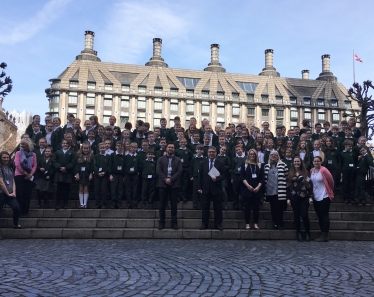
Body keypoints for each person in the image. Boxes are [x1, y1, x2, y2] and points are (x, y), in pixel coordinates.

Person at [197, 146, 226, 231]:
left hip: (216, 188)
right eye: (210, 152)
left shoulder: (220, 163)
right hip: (205, 189)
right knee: (205, 208)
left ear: (216, 153)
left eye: (213, 152)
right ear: (207, 153)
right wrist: (199, 187)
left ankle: (218, 224)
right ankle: (204, 224)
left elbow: (224, 175)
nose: (211, 153)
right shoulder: (203, 163)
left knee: (218, 208)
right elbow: (199, 176)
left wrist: (217, 178)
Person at [156, 142, 182, 230]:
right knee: (162, 204)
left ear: (174, 149)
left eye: (172, 147)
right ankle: (161, 222)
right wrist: (166, 179)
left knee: (174, 205)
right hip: (163, 184)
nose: (170, 148)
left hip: (174, 185)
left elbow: (179, 171)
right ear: (166, 148)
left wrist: (171, 179)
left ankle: (174, 222)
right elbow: (158, 171)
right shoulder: (161, 159)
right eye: (169, 147)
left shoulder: (178, 160)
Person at [287, 157, 312, 242]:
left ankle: (307, 233)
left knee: (304, 215)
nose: (296, 163)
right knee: (296, 216)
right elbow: (288, 186)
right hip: (294, 197)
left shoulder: (305, 173)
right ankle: (298, 233)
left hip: (304, 197)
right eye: (295, 161)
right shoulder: (290, 173)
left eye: (298, 161)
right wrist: (288, 198)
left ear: (301, 162)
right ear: (293, 163)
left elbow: (309, 185)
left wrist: (310, 196)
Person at [310, 156, 334, 242]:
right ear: (313, 162)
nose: (316, 163)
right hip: (315, 196)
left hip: (324, 195)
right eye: (315, 161)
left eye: (318, 161)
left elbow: (331, 181)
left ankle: (325, 234)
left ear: (321, 162)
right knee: (319, 215)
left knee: (324, 215)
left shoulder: (324, 170)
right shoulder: (311, 171)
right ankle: (322, 232)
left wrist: (330, 190)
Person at [264, 150, 288, 230]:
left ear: (278, 156)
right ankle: (275, 223)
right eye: (272, 155)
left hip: (280, 191)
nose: (273, 156)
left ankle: (280, 223)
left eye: (275, 155)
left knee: (279, 208)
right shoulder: (266, 166)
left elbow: (287, 176)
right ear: (269, 156)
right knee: (273, 208)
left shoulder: (283, 165)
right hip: (270, 191)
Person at [240, 149, 264, 230]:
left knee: (256, 208)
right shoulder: (245, 164)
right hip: (247, 189)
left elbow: (262, 178)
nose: (252, 156)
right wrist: (248, 186)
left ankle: (255, 223)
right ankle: (247, 223)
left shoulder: (260, 165)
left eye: (254, 154)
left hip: (257, 189)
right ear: (248, 155)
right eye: (251, 154)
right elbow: (242, 177)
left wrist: (258, 187)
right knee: (247, 207)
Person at [0, 151, 23, 231]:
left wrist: (13, 192)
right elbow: (1, 182)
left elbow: (13, 180)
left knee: (16, 207)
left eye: (7, 157)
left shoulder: (10, 168)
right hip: (2, 193)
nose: (6, 159)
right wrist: (7, 193)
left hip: (10, 193)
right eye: (4, 157)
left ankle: (15, 223)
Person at [14, 138, 37, 217]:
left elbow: (34, 165)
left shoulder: (33, 154)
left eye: (24, 144)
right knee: (19, 194)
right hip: (19, 175)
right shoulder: (18, 153)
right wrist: (25, 173)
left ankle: (25, 211)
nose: (22, 145)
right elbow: (17, 164)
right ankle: (19, 211)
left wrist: (31, 174)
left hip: (29, 176)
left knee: (27, 195)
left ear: (28, 145)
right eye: (21, 144)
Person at [74, 142, 94, 209]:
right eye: (84, 148)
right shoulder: (78, 156)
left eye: (87, 148)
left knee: (86, 188)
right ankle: (81, 203)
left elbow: (92, 166)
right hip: (80, 174)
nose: (86, 150)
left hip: (87, 174)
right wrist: (77, 173)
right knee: (80, 188)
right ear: (82, 149)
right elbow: (76, 166)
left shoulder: (91, 157)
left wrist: (91, 174)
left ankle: (85, 204)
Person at [109, 141, 125, 209]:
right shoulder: (112, 155)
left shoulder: (124, 156)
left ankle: (119, 203)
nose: (119, 147)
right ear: (116, 147)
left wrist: (124, 176)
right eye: (118, 146)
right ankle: (113, 203)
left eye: (121, 146)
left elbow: (125, 166)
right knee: (113, 189)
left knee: (120, 190)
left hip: (121, 175)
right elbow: (109, 165)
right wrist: (110, 174)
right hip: (114, 174)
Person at [93, 143, 110, 209]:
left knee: (104, 190)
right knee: (97, 190)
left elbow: (109, 165)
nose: (102, 149)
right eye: (101, 148)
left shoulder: (108, 156)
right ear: (99, 149)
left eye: (104, 148)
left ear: (106, 148)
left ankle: (103, 204)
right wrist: (97, 172)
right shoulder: (96, 156)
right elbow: (94, 165)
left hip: (105, 176)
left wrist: (105, 172)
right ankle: (97, 203)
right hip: (97, 175)